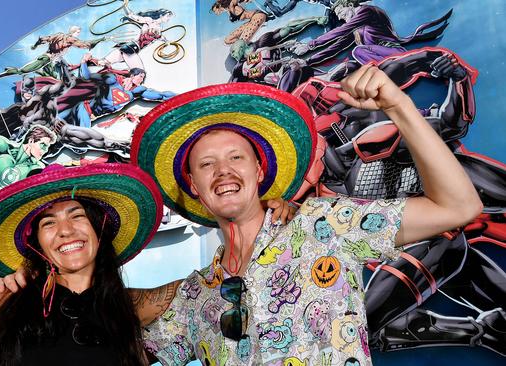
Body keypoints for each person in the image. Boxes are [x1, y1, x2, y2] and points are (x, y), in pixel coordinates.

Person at [128, 66, 482, 364]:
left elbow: (458, 208)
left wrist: (399, 106)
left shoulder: (323, 225)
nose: (223, 171)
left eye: (236, 157)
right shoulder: (195, 298)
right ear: (193, 185)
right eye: (206, 164)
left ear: (259, 170)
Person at [0, 163, 165, 365]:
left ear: (98, 229)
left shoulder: (132, 306)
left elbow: (205, 286)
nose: (65, 230)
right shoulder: (12, 302)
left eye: (77, 215)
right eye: (48, 222)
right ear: (37, 243)